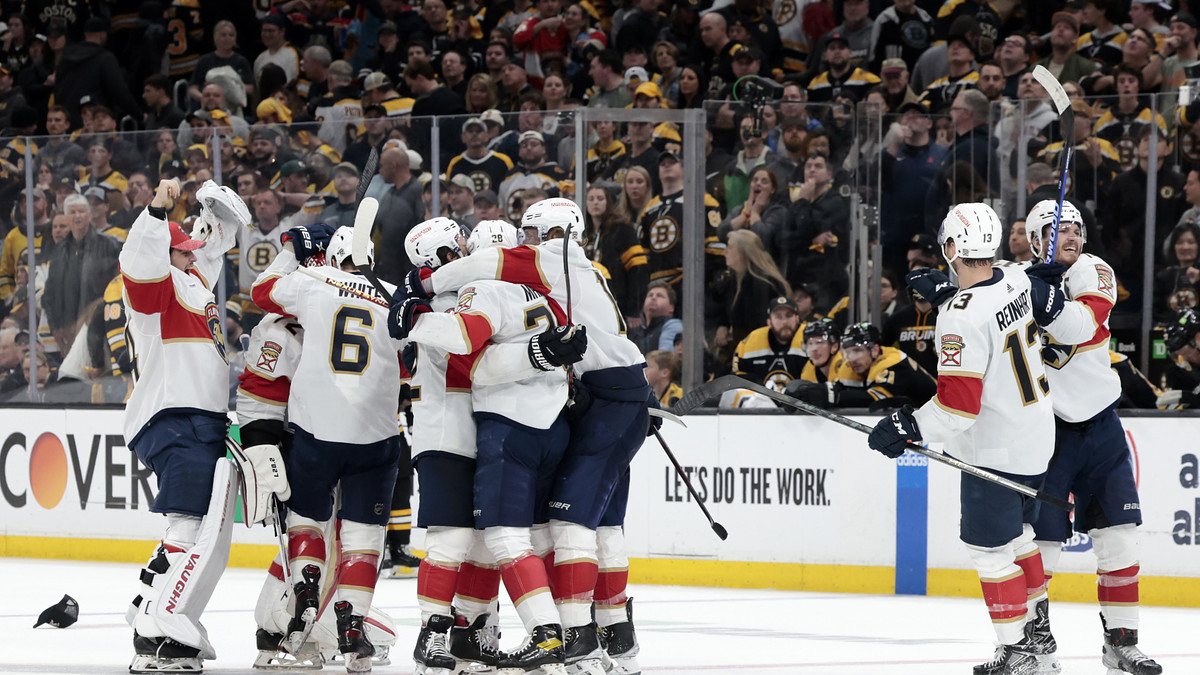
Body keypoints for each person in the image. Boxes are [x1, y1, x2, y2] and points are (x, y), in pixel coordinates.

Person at [413, 197, 650, 673]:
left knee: (500, 537)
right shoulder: (551, 290)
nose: (528, 243)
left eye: (533, 233)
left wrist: (416, 306)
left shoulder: (511, 277)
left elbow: (471, 357)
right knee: (581, 529)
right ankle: (605, 638)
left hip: (506, 425)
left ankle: (553, 636)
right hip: (577, 412)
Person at [868, 202, 1056, 675]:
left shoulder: (958, 317)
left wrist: (909, 426)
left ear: (951, 247)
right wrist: (951, 289)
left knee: (989, 550)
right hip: (1035, 439)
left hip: (994, 449)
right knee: (1020, 538)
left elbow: (957, 406)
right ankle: (1040, 635)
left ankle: (1018, 652)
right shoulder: (1015, 276)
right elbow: (992, 295)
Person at [392, 218, 578, 672]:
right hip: (448, 435)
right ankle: (431, 636)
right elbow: (466, 362)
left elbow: (465, 353)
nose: (464, 249)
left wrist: (411, 313)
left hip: (482, 430)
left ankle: (471, 634)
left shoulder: (450, 300)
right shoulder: (466, 298)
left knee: (482, 544)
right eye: (456, 243)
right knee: (453, 540)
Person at [251, 223, 403, 672]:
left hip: (315, 433)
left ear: (330, 257)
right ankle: (352, 631)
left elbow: (262, 291)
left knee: (307, 523)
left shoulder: (314, 281)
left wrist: (292, 251)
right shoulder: (396, 295)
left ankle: (305, 592)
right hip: (377, 437)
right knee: (363, 539)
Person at [1023, 199, 1163, 675]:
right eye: (1058, 230)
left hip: (1101, 426)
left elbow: (1085, 327)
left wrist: (1047, 303)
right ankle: (1036, 646)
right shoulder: (1018, 284)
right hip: (1046, 432)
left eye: (1076, 229)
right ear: (1037, 238)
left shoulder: (1093, 268)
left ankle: (1121, 644)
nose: (1071, 238)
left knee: (1120, 540)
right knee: (1041, 547)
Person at [121, 179, 243, 672]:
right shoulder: (154, 291)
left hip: (198, 417)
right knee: (192, 527)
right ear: (163, 253)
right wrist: (155, 209)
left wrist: (216, 213)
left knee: (192, 526)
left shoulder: (191, 281)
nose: (194, 257)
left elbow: (213, 246)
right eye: (184, 252)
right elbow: (141, 258)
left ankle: (147, 612)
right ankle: (160, 625)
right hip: (176, 416)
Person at [707, 230, 790, 361]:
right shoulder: (732, 279)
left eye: (730, 247)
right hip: (743, 348)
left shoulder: (761, 284)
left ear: (743, 252)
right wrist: (722, 325)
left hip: (759, 352)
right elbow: (720, 305)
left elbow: (761, 325)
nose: (725, 251)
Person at [731, 295, 807, 390]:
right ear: (769, 322)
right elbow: (737, 379)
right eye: (778, 317)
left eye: (789, 316)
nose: (784, 321)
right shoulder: (751, 341)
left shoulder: (812, 339)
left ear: (797, 319)